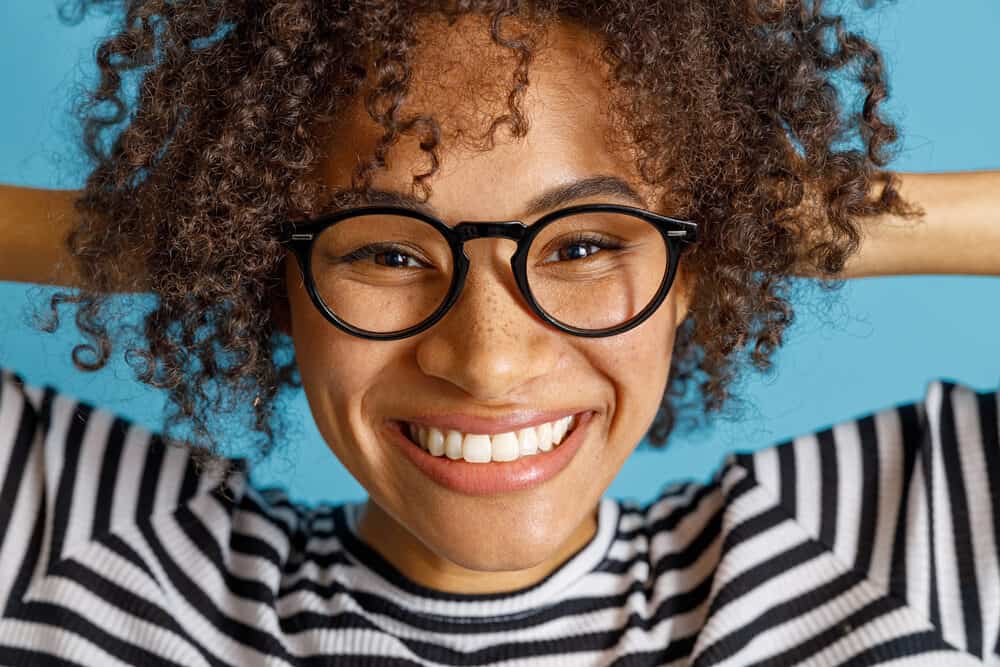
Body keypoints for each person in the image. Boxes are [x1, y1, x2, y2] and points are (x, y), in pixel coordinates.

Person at [1, 1, 998, 665]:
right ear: (274, 280)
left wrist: (775, 217)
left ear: (694, 269)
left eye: (581, 245)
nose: (486, 360)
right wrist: (164, 234)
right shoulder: (88, 545)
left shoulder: (876, 549)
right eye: (385, 253)